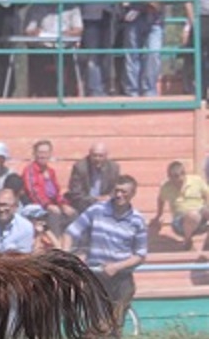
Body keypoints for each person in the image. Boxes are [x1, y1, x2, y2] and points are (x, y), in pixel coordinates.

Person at [63, 175, 147, 326]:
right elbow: (71, 232)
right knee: (98, 321)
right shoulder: (97, 210)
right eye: (117, 190)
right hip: (96, 274)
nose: (119, 195)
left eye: (124, 192)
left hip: (122, 276)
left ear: (133, 194)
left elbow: (140, 255)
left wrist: (117, 267)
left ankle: (113, 338)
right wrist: (66, 257)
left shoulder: (137, 220)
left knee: (115, 321)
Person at [21, 139, 76, 234]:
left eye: (46, 153)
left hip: (52, 205)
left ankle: (71, 240)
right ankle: (56, 241)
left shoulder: (51, 172)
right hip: (37, 206)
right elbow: (34, 192)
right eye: (40, 152)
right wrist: (48, 205)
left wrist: (63, 204)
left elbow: (56, 193)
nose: (43, 155)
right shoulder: (30, 170)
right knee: (54, 214)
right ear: (34, 154)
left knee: (72, 213)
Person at [153, 160, 209, 251]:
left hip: (200, 214)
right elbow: (161, 200)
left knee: (204, 211)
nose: (178, 180)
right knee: (193, 215)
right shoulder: (166, 187)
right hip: (180, 221)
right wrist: (159, 215)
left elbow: (207, 193)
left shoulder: (196, 181)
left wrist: (206, 205)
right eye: (174, 177)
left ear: (184, 174)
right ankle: (187, 241)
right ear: (169, 177)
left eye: (180, 175)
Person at [65, 142, 122, 214]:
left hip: (106, 205)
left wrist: (109, 197)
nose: (97, 159)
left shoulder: (114, 168)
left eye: (101, 156)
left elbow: (116, 188)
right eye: (94, 155)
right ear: (90, 155)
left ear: (106, 156)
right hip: (84, 204)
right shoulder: (80, 167)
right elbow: (76, 192)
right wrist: (95, 200)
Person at [122, 2, 163, 97]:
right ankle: (132, 91)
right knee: (132, 55)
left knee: (154, 53)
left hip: (155, 17)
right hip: (133, 16)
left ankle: (149, 89)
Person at [81, 3, 117, 97]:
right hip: (90, 15)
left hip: (109, 14)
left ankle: (106, 87)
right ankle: (95, 89)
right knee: (93, 54)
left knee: (107, 54)